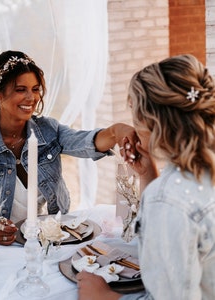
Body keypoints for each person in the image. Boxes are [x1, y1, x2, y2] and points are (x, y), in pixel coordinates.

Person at [0, 50, 138, 246]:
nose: (31, 97)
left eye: (35, 89)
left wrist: (116, 131)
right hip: (0, 245)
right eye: (20, 89)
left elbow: (85, 142)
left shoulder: (49, 130)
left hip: (51, 239)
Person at [77, 54, 215, 299]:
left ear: (155, 123)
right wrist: (149, 175)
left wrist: (105, 296)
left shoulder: (168, 199)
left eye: (136, 118)